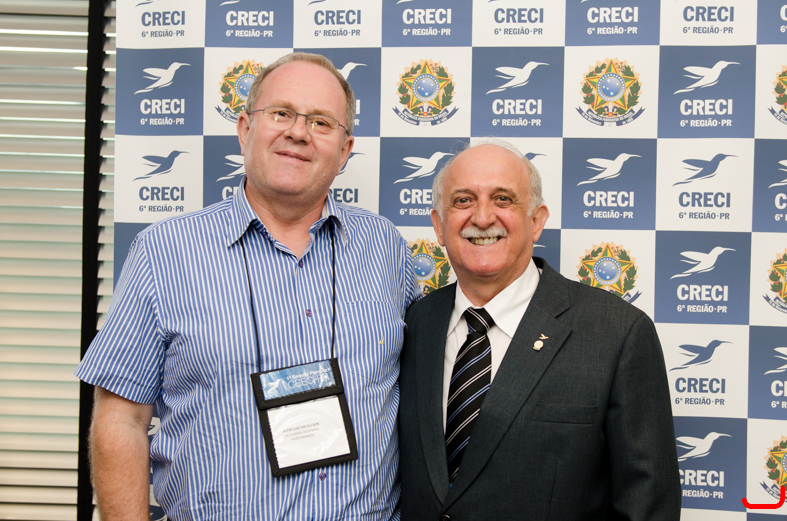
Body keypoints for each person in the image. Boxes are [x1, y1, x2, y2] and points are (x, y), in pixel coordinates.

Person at [76, 52, 420, 519]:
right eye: (281, 113)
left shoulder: (386, 249)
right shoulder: (164, 252)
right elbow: (122, 419)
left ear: (344, 150)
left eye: (321, 122)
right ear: (244, 129)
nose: (298, 132)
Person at [398, 141, 681, 520]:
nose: (482, 217)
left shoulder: (617, 333)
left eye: (503, 199)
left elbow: (647, 505)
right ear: (438, 224)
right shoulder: (415, 323)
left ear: (536, 221)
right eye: (463, 201)